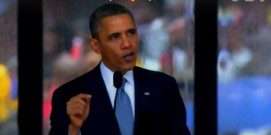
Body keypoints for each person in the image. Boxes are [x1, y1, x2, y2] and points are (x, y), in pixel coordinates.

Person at [49, 3, 190, 135]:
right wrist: (74, 129)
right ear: (95, 46)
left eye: (131, 33)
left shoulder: (164, 86)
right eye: (115, 37)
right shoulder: (68, 95)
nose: (127, 43)